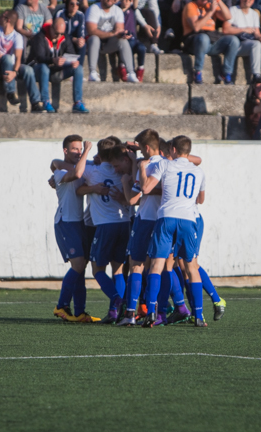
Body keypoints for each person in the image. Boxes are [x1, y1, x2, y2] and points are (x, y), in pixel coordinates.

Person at [139, 135, 208, 327]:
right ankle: (199, 316)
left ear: (173, 150)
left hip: (166, 217)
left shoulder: (165, 166)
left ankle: (151, 312)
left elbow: (146, 188)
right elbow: (200, 200)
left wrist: (142, 168)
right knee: (191, 266)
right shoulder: (199, 171)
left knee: (156, 265)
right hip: (188, 219)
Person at [79, 137, 132, 324]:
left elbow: (73, 170)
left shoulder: (92, 171)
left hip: (105, 226)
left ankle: (116, 299)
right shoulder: (123, 171)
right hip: (124, 223)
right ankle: (114, 312)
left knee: (97, 269)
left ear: (99, 155)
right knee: (117, 270)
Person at [116, 129, 164, 326]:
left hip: (145, 219)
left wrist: (126, 181)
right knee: (159, 267)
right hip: (165, 220)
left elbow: (132, 199)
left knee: (136, 264)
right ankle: (154, 312)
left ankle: (130, 314)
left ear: (145, 147)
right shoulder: (168, 164)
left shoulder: (148, 165)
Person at [51, 136, 97, 323]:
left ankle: (79, 312)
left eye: (80, 148)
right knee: (78, 265)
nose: (79, 152)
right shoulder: (61, 171)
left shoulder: (79, 165)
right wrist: (87, 150)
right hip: (66, 222)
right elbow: (75, 173)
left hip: (79, 223)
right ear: (65, 151)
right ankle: (61, 306)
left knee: (81, 267)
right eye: (75, 149)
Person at [26, 17, 88, 114]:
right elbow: (39, 57)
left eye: (61, 34)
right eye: (56, 33)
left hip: (57, 70)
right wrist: (53, 60)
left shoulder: (65, 38)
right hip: (39, 71)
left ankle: (78, 102)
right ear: (51, 28)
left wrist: (73, 62)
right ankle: (45, 101)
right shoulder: (40, 37)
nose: (59, 36)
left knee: (78, 69)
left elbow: (71, 53)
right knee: (44, 67)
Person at [182, 0, 238, 85]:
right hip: (194, 42)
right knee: (204, 38)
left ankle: (226, 73)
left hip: (211, 43)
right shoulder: (191, 6)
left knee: (233, 41)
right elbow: (196, 28)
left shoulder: (210, 6)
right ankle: (197, 71)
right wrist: (211, 12)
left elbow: (228, 16)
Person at [223, 0, 261, 83]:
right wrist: (243, 29)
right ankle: (256, 75)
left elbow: (256, 32)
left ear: (253, 1)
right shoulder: (233, 10)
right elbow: (225, 29)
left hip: (249, 42)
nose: (247, 0)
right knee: (256, 45)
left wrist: (260, 37)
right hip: (237, 44)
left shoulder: (254, 14)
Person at [86, 0, 136, 83]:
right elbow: (91, 31)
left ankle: (131, 73)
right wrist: (112, 33)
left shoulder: (117, 10)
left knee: (123, 41)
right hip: (94, 45)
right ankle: (92, 72)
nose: (110, 0)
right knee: (94, 38)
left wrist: (123, 34)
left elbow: (119, 30)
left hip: (109, 43)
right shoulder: (94, 9)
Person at [0, 10, 32, 105]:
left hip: (10, 65)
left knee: (27, 69)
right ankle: (11, 92)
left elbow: (18, 58)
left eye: (2, 16)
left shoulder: (17, 36)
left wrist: (14, 72)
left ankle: (35, 102)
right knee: (7, 58)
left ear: (7, 20)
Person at [117, 0, 148, 83]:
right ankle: (123, 66)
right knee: (128, 44)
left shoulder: (132, 9)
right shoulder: (117, 10)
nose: (126, 2)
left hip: (134, 39)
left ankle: (140, 69)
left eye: (128, 0)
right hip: (122, 38)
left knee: (142, 48)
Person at [55, 0, 86, 64]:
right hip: (62, 40)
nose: (75, 6)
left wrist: (80, 40)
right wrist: (73, 39)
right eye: (72, 3)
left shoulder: (80, 15)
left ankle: (79, 68)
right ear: (67, 4)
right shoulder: (61, 13)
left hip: (74, 41)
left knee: (82, 44)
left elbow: (81, 32)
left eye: (77, 4)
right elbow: (58, 33)